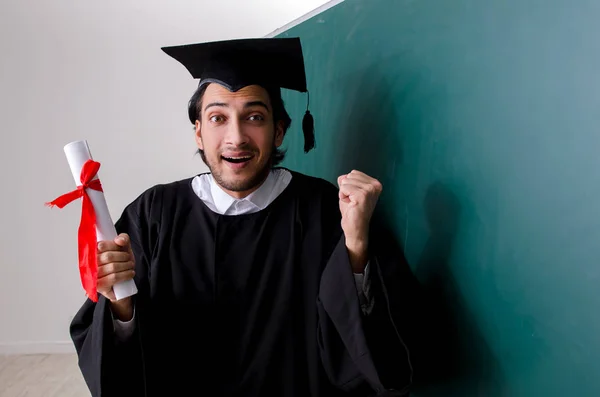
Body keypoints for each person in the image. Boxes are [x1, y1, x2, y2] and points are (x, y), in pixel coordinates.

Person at [70, 37, 419, 397]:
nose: (236, 137)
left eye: (254, 117)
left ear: (279, 130)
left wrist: (357, 248)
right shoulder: (154, 215)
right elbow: (122, 361)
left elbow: (374, 347)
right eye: (218, 118)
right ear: (199, 133)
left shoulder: (327, 210)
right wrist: (120, 304)